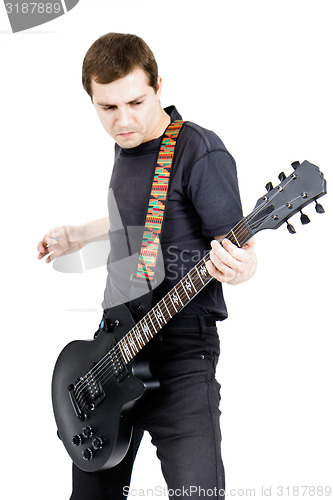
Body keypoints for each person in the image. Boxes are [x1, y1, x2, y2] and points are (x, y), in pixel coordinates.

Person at [37, 33, 257, 500]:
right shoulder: (128, 146)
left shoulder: (200, 151)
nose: (124, 120)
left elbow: (239, 246)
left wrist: (241, 267)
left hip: (179, 353)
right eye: (108, 108)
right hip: (110, 350)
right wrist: (77, 234)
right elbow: (137, 219)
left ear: (159, 85)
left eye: (136, 102)